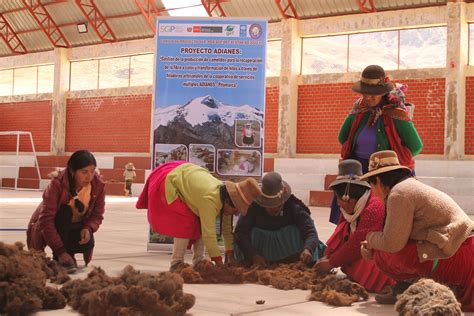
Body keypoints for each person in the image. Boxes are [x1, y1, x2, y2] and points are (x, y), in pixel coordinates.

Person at [359, 150, 474, 311]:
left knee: (383, 254)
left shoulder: (399, 194)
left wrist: (369, 240)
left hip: (460, 254)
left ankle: (411, 283)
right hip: (461, 250)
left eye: (371, 185)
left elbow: (392, 243)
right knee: (383, 248)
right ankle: (417, 283)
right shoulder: (406, 187)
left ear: (377, 181)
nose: (373, 192)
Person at [330, 64, 423, 224]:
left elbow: (415, 146)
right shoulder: (360, 110)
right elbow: (342, 137)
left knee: (381, 220)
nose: (369, 97)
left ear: (384, 92)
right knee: (351, 218)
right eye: (365, 93)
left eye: (374, 94)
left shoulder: (396, 113)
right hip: (358, 172)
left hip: (385, 173)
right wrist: (354, 112)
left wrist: (392, 160)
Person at [136, 161, 261, 271]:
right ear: (229, 202)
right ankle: (176, 263)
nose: (236, 213)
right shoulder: (210, 199)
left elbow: (227, 231)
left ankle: (198, 262)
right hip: (171, 179)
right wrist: (219, 263)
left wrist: (230, 255)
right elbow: (208, 233)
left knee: (199, 222)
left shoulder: (226, 199)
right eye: (236, 210)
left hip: (188, 175)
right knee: (187, 223)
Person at [314, 160, 395, 293]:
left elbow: (358, 242)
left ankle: (377, 282)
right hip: (363, 247)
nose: (339, 203)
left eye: (340, 199)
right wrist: (327, 255)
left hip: (384, 255)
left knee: (365, 249)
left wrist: (332, 262)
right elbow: (339, 232)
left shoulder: (375, 207)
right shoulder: (350, 208)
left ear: (348, 196)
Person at [27, 150, 105, 272]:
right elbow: (46, 221)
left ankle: (69, 254)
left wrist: (88, 228)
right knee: (64, 212)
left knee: (87, 244)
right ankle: (59, 256)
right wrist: (60, 252)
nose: (89, 176)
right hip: (54, 228)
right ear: (73, 172)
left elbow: (97, 215)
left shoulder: (97, 185)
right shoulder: (57, 185)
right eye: (84, 172)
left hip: (75, 228)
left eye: (92, 171)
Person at [234, 172, 325, 267]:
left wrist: (308, 249)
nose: (271, 208)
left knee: (300, 234)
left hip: (290, 254)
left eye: (275, 205)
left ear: (283, 200)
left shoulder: (294, 206)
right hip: (260, 253)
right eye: (268, 205)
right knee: (242, 238)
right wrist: (253, 255)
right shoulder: (253, 206)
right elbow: (240, 232)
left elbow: (310, 232)